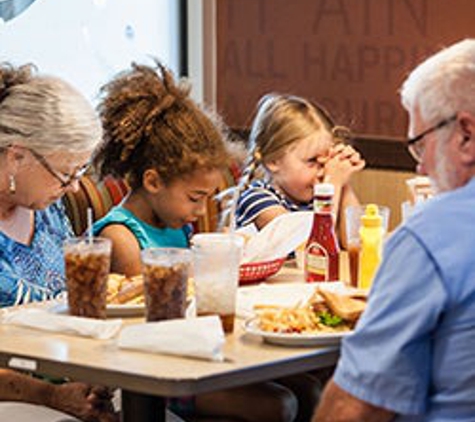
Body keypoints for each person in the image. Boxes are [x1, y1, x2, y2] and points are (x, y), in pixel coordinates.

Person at [92, 61, 298, 422]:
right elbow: (156, 321)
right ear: (153, 181)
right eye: (195, 197)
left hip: (193, 356)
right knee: (279, 405)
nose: (200, 209)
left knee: (309, 386)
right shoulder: (120, 237)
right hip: (156, 375)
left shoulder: (175, 224)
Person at [312, 38, 475, 422]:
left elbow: (355, 409)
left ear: (466, 136)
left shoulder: (433, 235)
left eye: (420, 145)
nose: (420, 169)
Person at [0, 63, 116, 421]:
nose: (75, 188)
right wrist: (51, 395)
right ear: (16, 156)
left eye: (80, 173)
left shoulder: (47, 211)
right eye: (67, 174)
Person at [233, 93, 365, 243]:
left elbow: (356, 242)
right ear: (273, 161)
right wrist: (332, 184)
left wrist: (343, 179)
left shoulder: (314, 198)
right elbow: (309, 246)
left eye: (325, 162)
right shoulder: (257, 199)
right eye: (312, 161)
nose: (323, 172)